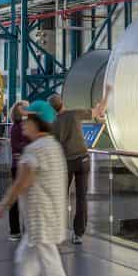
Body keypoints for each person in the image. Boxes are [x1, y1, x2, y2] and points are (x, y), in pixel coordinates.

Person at [0, 100, 76, 276]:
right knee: (25, 257)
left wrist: (3, 205)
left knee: (51, 268)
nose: (23, 124)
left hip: (41, 219)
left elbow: (22, 183)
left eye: (27, 120)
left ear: (38, 122)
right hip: (47, 217)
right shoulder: (52, 145)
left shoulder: (34, 150)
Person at [50, 94, 88, 245]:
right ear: (63, 102)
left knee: (61, 197)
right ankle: (78, 234)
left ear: (53, 108)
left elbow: (54, 145)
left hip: (66, 162)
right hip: (83, 160)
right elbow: (96, 111)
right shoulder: (75, 114)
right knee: (81, 198)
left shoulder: (55, 123)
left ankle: (57, 231)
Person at [8, 100, 30, 241]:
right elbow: (20, 147)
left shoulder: (14, 127)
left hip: (17, 165)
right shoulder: (22, 128)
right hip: (24, 167)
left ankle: (15, 230)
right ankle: (24, 229)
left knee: (16, 199)